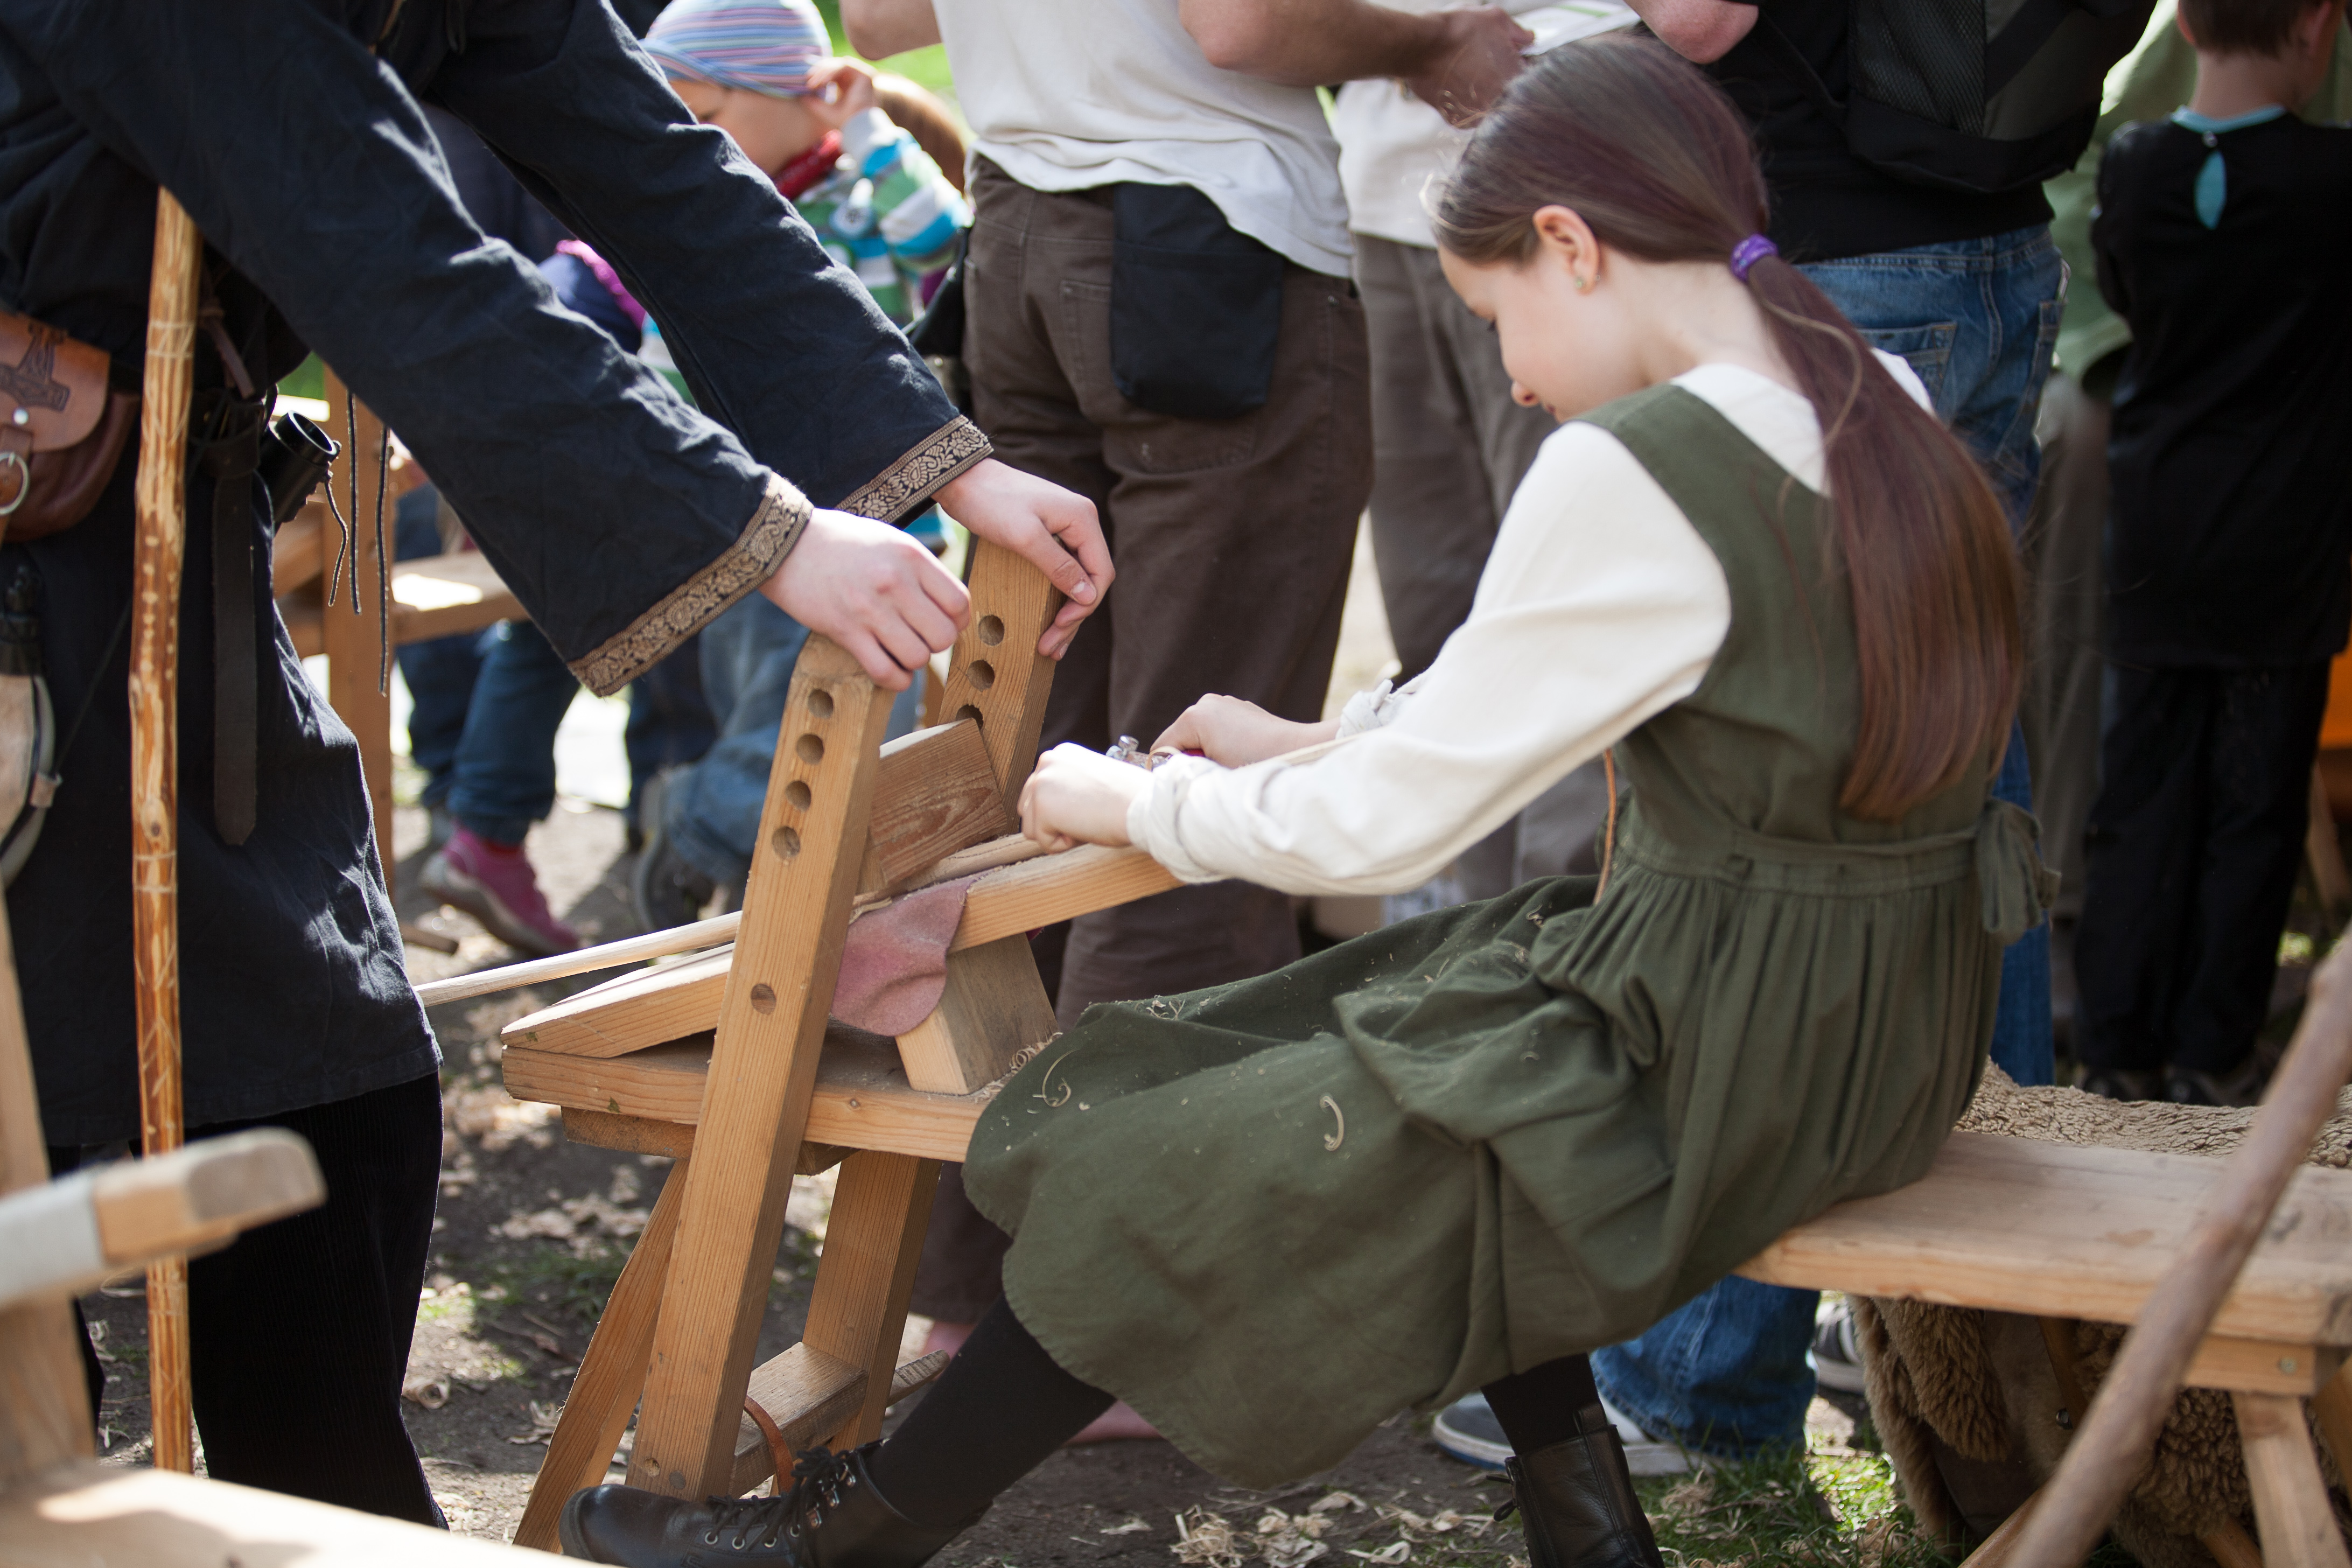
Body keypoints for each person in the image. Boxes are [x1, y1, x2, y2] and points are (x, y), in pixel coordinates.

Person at [559, 36, 2046, 1568]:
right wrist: (1304, 741)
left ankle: (845, 1543)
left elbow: (1387, 832)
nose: (1515, 377)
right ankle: (1590, 1531)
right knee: (1430, 1016)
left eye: (1500, 321)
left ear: (1570, 245)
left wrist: (1123, 804)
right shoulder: (1871, 390)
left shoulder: (1639, 464)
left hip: (1736, 1059)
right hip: (1886, 1029)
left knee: (1182, 1145)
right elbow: (1532, 688)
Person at [0, 0, 1105, 1523]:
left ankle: (323, 1519)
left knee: (331, 1086)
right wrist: (765, 532)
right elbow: (374, 239)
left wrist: (939, 466)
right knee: (64, 1113)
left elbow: (655, 162)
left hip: (158, 547)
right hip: (43, 567)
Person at [838, 0, 1531, 1418]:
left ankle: (977, 1303)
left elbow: (886, 14)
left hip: (1023, 235)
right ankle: (1095, 1338)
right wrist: (1431, 41)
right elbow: (1240, 21)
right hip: (1208, 238)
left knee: (1034, 795)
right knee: (1190, 804)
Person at [1573, 0, 2110, 1453]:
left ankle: (1702, 1380)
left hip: (1829, 256)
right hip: (1993, 244)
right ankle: (1971, 1340)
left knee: (1788, 801)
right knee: (1958, 747)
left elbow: (1701, 17)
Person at [629, 0, 975, 929]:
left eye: (705, 115)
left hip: (880, 520)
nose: (688, 140)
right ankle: (726, 851)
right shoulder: (700, 219)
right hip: (753, 532)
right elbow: (661, 375)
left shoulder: (860, 201)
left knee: (856, 718)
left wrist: (864, 125)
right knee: (771, 720)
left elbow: (942, 240)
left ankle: (731, 853)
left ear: (794, 94)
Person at [2071, 0, 2352, 1105]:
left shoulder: (2133, 165)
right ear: (2319, 26)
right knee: (2255, 801)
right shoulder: (2335, 177)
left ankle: (2115, 1045)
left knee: (2138, 790)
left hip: (2156, 527)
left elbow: (2127, 296)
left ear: (2183, 23)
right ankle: (2212, 1051)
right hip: (2284, 542)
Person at [1332, 1, 1636, 927]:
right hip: (1381, 193)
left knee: (1565, 612)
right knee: (1438, 619)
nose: (1522, 384)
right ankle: (1480, 938)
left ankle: (1561, 937)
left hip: (1569, 148)